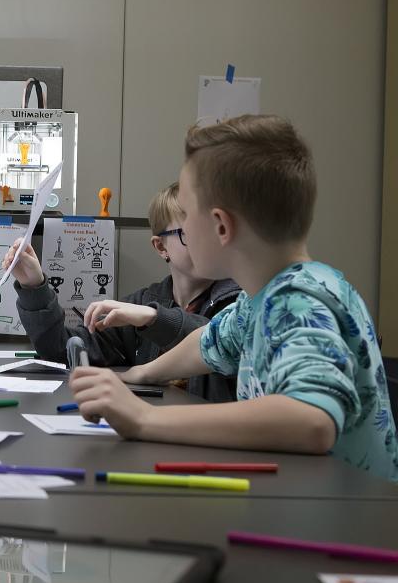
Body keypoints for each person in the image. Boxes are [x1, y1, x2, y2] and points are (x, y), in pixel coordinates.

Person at [70, 115, 398, 482]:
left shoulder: (298, 302)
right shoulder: (261, 299)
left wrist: (144, 418)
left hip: (345, 512)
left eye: (187, 215)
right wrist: (138, 375)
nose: (184, 227)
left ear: (221, 226)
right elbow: (207, 343)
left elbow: (312, 420)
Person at [5, 183, 240, 402]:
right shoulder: (146, 301)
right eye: (189, 234)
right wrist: (34, 286)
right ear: (161, 246)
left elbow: (221, 339)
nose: (207, 243)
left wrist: (154, 318)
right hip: (152, 425)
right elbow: (59, 349)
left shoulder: (240, 301)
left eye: (213, 232)